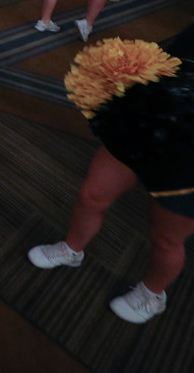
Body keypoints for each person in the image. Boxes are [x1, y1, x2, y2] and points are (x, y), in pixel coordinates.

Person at [29, 29, 194, 324]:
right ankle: (72, 249)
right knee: (91, 195)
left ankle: (153, 293)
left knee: (165, 239)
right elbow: (171, 55)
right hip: (149, 123)